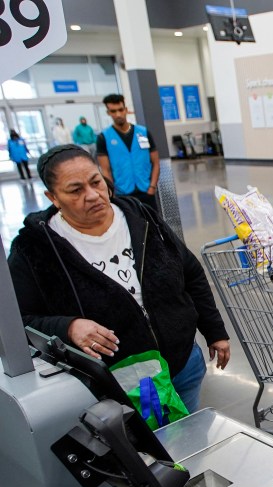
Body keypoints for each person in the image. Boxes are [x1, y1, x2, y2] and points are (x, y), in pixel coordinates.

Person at [8, 145, 230, 414]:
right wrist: (68, 327)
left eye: (96, 182)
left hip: (183, 364)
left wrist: (215, 330)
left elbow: (190, 272)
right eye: (75, 190)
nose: (92, 196)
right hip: (116, 387)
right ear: (53, 197)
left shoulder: (141, 217)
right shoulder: (34, 248)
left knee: (190, 442)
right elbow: (19, 320)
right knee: (143, 454)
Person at [96, 94, 160, 208]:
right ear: (108, 113)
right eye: (113, 111)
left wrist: (152, 187)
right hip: (123, 195)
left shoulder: (143, 132)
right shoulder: (104, 137)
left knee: (153, 224)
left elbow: (155, 162)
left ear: (126, 110)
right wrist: (112, 195)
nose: (118, 114)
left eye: (120, 110)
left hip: (146, 191)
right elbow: (105, 170)